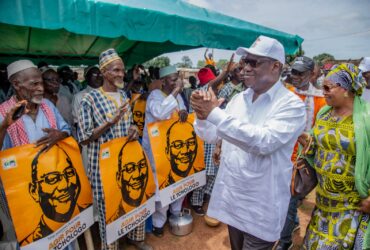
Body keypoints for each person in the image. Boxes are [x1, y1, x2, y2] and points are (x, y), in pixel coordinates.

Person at [191, 35, 306, 250]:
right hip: (233, 200)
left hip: (260, 209)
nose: (246, 68)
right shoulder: (238, 99)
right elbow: (214, 135)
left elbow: (264, 142)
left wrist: (214, 114)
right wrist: (202, 115)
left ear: (275, 66)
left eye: (254, 62)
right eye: (245, 62)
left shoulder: (291, 105)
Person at [77, 48, 151, 250]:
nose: (121, 74)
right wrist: (109, 123)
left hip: (127, 161)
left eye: (122, 70)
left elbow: (129, 125)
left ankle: (136, 238)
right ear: (103, 73)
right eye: (116, 70)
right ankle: (110, 246)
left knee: (134, 198)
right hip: (103, 167)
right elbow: (83, 138)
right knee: (107, 207)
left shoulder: (123, 96)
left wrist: (134, 129)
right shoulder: (88, 99)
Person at [0, 59, 71, 248]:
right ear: (16, 84)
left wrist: (59, 134)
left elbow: (67, 130)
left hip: (53, 186)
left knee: (58, 229)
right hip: (23, 190)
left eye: (41, 82)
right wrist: (4, 127)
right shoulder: (3, 112)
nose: (41, 88)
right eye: (34, 84)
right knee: (31, 234)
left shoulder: (48, 105)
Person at [301, 63, 370, 249]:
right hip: (322, 203)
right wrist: (305, 139)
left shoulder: (366, 118)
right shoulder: (324, 113)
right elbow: (316, 145)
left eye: (327, 87)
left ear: (346, 89)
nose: (323, 92)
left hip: (351, 207)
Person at [276, 56, 326, 250]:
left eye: (300, 73)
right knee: (286, 199)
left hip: (304, 160)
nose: (295, 76)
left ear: (312, 73)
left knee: (290, 200)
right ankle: (294, 221)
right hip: (282, 156)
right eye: (293, 72)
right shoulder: (286, 92)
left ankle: (285, 241)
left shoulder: (322, 99)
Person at [142, 65, 188, 237]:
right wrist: (177, 91)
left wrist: (182, 111)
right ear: (163, 82)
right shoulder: (154, 96)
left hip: (175, 150)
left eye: (177, 78)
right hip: (158, 152)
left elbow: (180, 109)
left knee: (177, 182)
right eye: (173, 79)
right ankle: (158, 223)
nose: (177, 82)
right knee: (161, 188)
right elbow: (160, 113)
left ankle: (176, 214)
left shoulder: (178, 96)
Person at [20, 145, 91, 245]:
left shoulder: (88, 212)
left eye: (69, 173)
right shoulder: (30, 243)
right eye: (52, 179)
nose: (64, 185)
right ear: (34, 191)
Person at [108, 141, 153, 223]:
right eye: (129, 169)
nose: (137, 175)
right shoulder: (113, 220)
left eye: (142, 165)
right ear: (119, 178)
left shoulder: (150, 200)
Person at [160, 120, 199, 188]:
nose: (185, 151)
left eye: (190, 143)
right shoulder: (163, 188)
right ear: (167, 152)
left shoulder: (200, 177)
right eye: (177, 145)